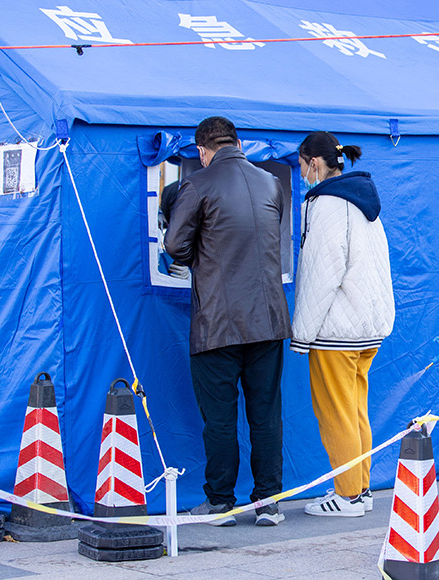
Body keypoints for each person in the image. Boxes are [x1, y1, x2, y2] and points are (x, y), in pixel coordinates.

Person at [164, 116, 292, 527]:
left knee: (220, 417)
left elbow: (175, 245)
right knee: (265, 412)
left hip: (218, 322)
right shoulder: (270, 182)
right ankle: (269, 500)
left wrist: (195, 257)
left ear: (203, 150)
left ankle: (220, 502)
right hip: (269, 319)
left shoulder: (198, 183)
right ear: (238, 142)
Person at [290, 131, 395, 517]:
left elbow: (321, 273)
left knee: (336, 413)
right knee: (356, 410)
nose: (301, 173)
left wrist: (302, 334)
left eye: (301, 165)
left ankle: (348, 495)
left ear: (314, 163)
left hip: (336, 329)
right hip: (368, 327)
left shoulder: (326, 205)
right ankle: (361, 488)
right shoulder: (364, 202)